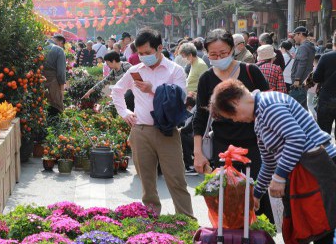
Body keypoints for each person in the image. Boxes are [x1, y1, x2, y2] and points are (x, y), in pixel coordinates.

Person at [209, 79, 336, 244]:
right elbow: (269, 162)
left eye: (232, 116)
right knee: (315, 228)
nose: (235, 120)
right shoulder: (259, 119)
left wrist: (279, 177)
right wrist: (257, 194)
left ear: (235, 102)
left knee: (323, 227)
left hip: (316, 168)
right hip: (304, 171)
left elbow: (296, 138)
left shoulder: (269, 106)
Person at [192, 29, 274, 223]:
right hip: (223, 149)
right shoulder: (206, 79)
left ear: (233, 49)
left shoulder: (250, 71)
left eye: (223, 53)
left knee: (257, 197)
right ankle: (229, 236)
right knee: (226, 198)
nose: (219, 57)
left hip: (254, 145)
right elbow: (200, 118)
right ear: (207, 53)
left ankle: (260, 235)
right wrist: (198, 152)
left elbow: (268, 104)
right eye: (213, 54)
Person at [110, 28, 194, 217]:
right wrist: (125, 112)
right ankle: (151, 222)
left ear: (159, 48)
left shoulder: (175, 69)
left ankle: (187, 222)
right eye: (140, 53)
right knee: (147, 182)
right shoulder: (135, 70)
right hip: (140, 131)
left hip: (167, 131)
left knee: (176, 180)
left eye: (147, 53)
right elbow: (117, 91)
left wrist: (152, 89)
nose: (143, 57)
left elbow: (180, 99)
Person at [313, 30, 336, 137]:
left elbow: (316, 78)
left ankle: (328, 153)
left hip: (327, 99)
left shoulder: (326, 57)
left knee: (323, 133)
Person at [289, 26, 316, 109]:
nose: (294, 38)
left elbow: (302, 64)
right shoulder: (309, 46)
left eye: (294, 35)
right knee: (303, 105)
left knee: (297, 107)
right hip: (306, 79)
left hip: (301, 81)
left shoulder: (303, 47)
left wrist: (297, 79)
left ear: (300, 34)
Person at [43, 34, 67, 120]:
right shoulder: (59, 50)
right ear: (61, 42)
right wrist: (62, 89)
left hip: (39, 82)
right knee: (55, 109)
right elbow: (61, 73)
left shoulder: (40, 47)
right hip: (53, 83)